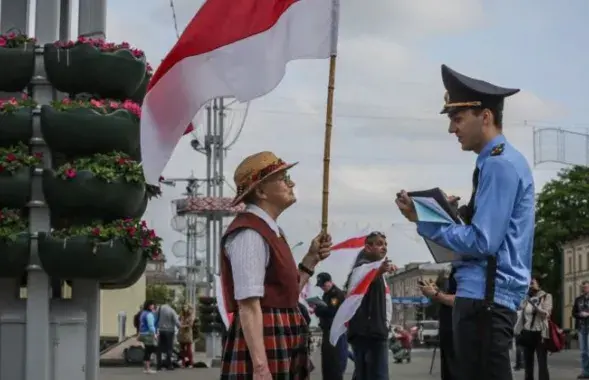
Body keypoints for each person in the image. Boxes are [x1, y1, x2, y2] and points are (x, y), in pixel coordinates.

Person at [396, 64, 535, 380]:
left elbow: (483, 242)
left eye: (457, 119)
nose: (452, 129)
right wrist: (452, 216)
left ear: (485, 116)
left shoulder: (499, 165)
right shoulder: (496, 161)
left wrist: (425, 220)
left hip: (484, 299)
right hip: (484, 297)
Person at [219, 151, 332, 380]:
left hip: (282, 330)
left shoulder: (272, 230)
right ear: (261, 191)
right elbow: (249, 305)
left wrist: (311, 259)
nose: (291, 183)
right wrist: (260, 368)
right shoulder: (249, 233)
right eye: (283, 178)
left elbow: (285, 293)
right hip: (265, 335)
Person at [344, 232, 396, 380]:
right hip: (370, 332)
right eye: (379, 244)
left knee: (364, 374)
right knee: (377, 375)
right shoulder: (362, 267)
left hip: (371, 331)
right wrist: (380, 270)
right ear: (368, 247)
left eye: (385, 244)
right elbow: (362, 282)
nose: (384, 248)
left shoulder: (373, 269)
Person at [419, 270, 457, 380]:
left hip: (458, 330)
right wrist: (436, 292)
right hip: (447, 329)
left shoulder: (470, 270)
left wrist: (436, 294)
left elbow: (463, 300)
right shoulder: (456, 269)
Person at [514, 276, 552, 380]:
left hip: (540, 333)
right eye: (529, 283)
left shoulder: (546, 296)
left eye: (532, 283)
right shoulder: (526, 297)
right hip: (527, 332)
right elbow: (520, 310)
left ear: (538, 284)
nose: (530, 285)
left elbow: (547, 314)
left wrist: (536, 306)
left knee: (542, 362)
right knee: (528, 363)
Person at [314, 272, 347, 380]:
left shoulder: (336, 294)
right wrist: (318, 309)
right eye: (321, 286)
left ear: (330, 282)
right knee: (327, 362)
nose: (322, 288)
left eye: (324, 285)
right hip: (327, 330)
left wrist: (318, 309)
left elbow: (331, 310)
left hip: (335, 331)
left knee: (335, 362)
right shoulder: (327, 294)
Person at [155, 303, 180, 371]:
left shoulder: (159, 309)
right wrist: (179, 326)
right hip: (169, 331)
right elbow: (176, 321)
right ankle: (169, 365)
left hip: (161, 330)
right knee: (169, 348)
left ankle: (158, 365)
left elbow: (155, 318)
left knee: (159, 348)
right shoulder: (172, 311)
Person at [138, 300, 158, 374]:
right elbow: (151, 326)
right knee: (149, 350)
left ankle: (146, 368)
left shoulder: (143, 313)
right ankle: (148, 369)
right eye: (152, 305)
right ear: (149, 306)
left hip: (143, 333)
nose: (153, 306)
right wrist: (155, 334)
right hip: (148, 334)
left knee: (147, 350)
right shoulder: (149, 314)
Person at [574, 281, 589, 379]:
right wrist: (580, 314)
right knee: (583, 351)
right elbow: (573, 313)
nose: (585, 289)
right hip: (581, 327)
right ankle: (585, 372)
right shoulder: (578, 299)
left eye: (587, 287)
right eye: (583, 287)